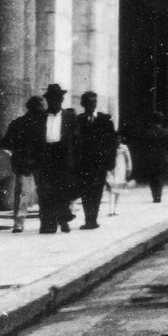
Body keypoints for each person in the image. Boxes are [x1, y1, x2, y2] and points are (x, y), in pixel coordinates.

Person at [36, 85, 79, 234]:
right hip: (46, 155)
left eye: (58, 99)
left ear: (62, 100)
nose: (55, 102)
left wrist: (74, 158)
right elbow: (35, 140)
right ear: (48, 100)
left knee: (62, 189)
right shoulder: (40, 117)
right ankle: (48, 224)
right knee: (45, 190)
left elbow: (76, 139)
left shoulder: (69, 116)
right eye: (52, 99)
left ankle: (63, 219)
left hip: (63, 155)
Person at [73, 91, 118, 230]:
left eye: (93, 103)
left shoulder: (106, 119)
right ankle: (88, 219)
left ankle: (93, 219)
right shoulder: (78, 120)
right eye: (88, 104)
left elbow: (112, 142)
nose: (91, 106)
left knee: (97, 190)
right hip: (84, 164)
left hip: (100, 163)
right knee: (86, 190)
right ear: (83, 104)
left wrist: (110, 163)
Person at [2, 97, 45, 233]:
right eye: (40, 109)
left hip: (29, 162)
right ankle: (23, 222)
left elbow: (6, 145)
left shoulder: (18, 123)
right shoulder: (21, 124)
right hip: (29, 162)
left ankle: (19, 223)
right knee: (27, 192)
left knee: (23, 192)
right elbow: (7, 144)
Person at [136, 113, 168, 203]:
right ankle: (158, 195)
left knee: (153, 177)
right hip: (163, 157)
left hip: (151, 157)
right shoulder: (166, 132)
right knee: (161, 176)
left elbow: (144, 146)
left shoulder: (148, 132)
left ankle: (155, 195)